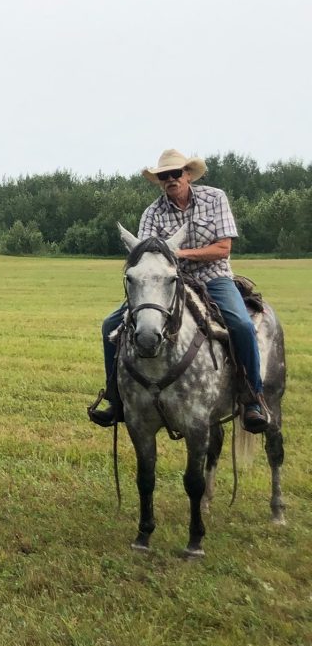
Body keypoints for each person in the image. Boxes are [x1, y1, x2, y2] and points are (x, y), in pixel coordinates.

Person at [88, 148, 269, 433]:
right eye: (164, 176)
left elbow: (224, 248)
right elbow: (147, 255)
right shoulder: (152, 213)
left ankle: (252, 399)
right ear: (160, 181)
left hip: (214, 277)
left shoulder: (215, 198)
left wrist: (181, 254)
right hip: (170, 283)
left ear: (187, 175)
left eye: (176, 173)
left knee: (242, 325)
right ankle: (116, 398)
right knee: (111, 324)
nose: (171, 179)